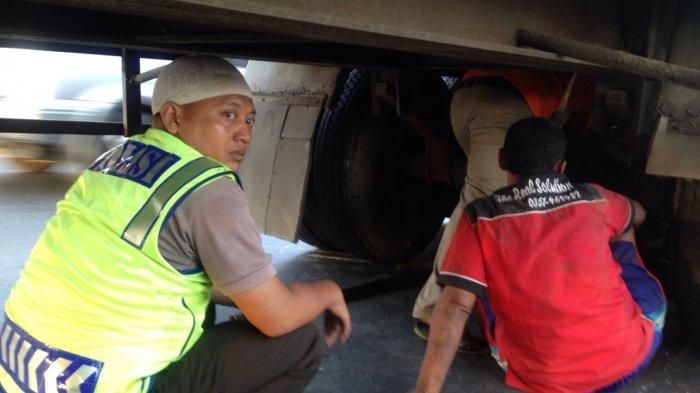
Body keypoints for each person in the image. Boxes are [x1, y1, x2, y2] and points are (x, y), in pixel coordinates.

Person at [0, 55, 351, 393]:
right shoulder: (210, 190)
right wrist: (327, 292)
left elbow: (149, 269)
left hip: (23, 371)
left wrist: (250, 295)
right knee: (299, 336)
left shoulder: (112, 160)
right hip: (108, 384)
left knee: (205, 301)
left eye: (249, 120)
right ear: (172, 116)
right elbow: (278, 317)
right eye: (228, 114)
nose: (244, 133)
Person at [413, 117, 666, 392]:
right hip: (622, 363)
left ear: (501, 159)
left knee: (477, 280)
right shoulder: (595, 197)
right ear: (561, 167)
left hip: (538, 378)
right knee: (624, 226)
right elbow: (638, 214)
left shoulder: (480, 216)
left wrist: (425, 389)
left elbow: (456, 306)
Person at [412, 70, 595, 349]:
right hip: (501, 109)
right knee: (479, 209)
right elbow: (573, 131)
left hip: (464, 97)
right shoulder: (584, 78)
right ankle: (435, 314)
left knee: (478, 198)